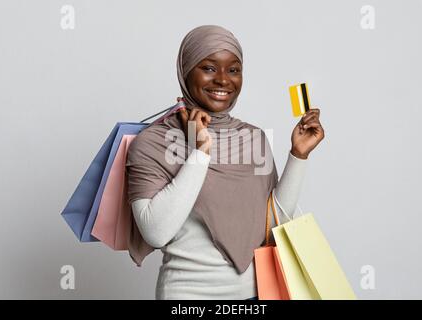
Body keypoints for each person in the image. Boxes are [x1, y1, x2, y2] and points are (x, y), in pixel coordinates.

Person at [125, 25, 325, 300]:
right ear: (186, 71)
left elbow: (270, 226)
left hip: (256, 296)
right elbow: (156, 233)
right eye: (208, 68)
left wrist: (298, 156)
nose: (223, 80)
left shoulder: (253, 138)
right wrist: (200, 152)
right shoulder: (152, 142)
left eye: (233, 70)